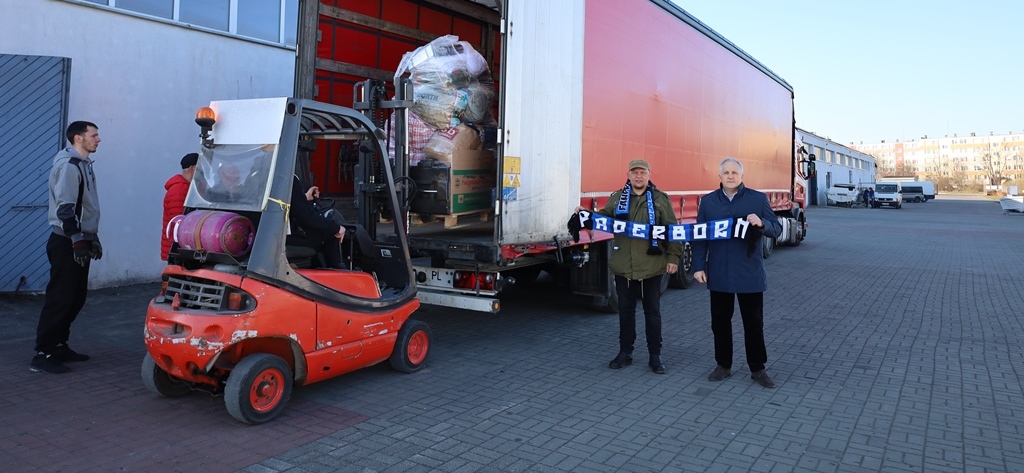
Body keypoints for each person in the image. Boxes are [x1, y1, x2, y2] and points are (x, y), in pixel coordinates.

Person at [577, 159, 681, 374]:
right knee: (626, 312)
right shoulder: (618, 198)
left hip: (652, 266)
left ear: (649, 174)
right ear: (629, 175)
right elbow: (604, 218)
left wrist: (673, 257)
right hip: (624, 265)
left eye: (642, 172)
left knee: (652, 313)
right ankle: (625, 352)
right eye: (635, 173)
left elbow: (673, 231)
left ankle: (655, 356)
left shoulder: (660, 200)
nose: (639, 176)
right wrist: (587, 216)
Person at [692, 157, 782, 388]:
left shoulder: (757, 199)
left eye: (734, 172)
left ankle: (757, 368)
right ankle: (723, 364)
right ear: (719, 176)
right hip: (720, 273)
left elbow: (776, 228)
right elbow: (700, 237)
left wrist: (761, 223)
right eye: (726, 173)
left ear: (742, 176)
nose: (730, 176)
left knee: (753, 323)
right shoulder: (709, 202)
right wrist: (698, 266)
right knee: (720, 322)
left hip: (749, 274)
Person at [32, 121, 104, 374]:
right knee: (60, 298)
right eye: (93, 135)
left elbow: (86, 206)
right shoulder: (69, 166)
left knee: (75, 298)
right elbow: (65, 208)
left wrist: (92, 238)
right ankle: (43, 353)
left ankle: (59, 345)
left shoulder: (84, 165)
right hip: (66, 242)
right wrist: (77, 240)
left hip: (78, 240)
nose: (98, 139)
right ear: (78, 138)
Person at [289, 175, 346, 269]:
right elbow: (306, 217)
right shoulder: (289, 178)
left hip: (267, 234)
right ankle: (337, 274)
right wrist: (337, 228)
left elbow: (292, 203)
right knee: (331, 234)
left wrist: (303, 198)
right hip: (285, 237)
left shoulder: (263, 175)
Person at [161, 152, 198, 260]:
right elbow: (179, 223)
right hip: (177, 249)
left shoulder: (184, 187)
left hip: (177, 247)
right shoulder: (180, 189)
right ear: (192, 169)